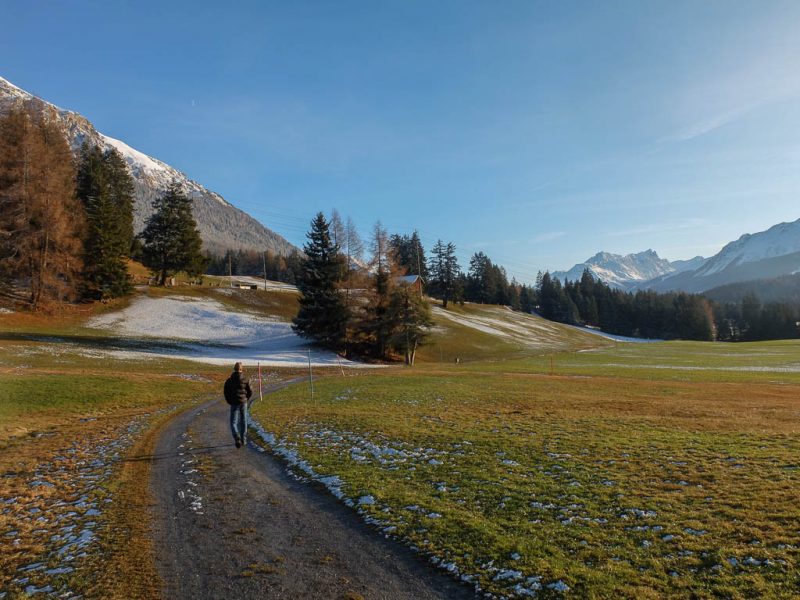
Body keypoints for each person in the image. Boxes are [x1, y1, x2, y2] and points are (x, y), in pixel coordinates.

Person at [223, 362, 252, 448]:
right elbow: (250, 391)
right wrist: (246, 399)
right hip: (243, 402)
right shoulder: (246, 379)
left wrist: (229, 401)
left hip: (234, 403)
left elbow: (226, 392)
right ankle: (243, 439)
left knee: (233, 422)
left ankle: (236, 437)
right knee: (243, 420)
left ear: (234, 369)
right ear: (241, 369)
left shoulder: (229, 380)